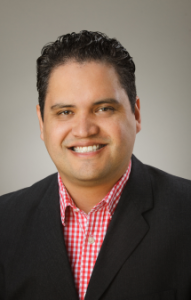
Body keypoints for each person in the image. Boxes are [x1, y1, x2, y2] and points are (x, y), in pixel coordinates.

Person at [0, 31, 191, 300]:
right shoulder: (4, 222)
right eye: (65, 112)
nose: (84, 130)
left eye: (103, 109)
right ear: (42, 123)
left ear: (136, 114)